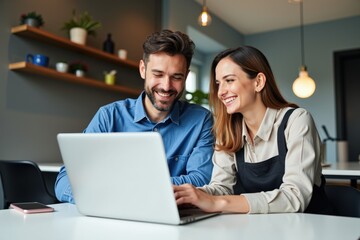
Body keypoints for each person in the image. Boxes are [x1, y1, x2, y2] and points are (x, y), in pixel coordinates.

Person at [55, 30, 215, 204]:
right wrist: (117, 195)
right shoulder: (109, 116)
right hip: (111, 216)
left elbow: (201, 180)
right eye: (158, 74)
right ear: (142, 69)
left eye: (177, 77)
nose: (166, 86)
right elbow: (66, 180)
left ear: (185, 76)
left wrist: (123, 187)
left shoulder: (201, 121)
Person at [174, 46, 332, 214]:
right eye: (219, 83)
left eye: (229, 80)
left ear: (258, 82)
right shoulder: (228, 132)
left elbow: (295, 197)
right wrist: (191, 196)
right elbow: (222, 188)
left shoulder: (297, 120)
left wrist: (217, 203)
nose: (221, 92)